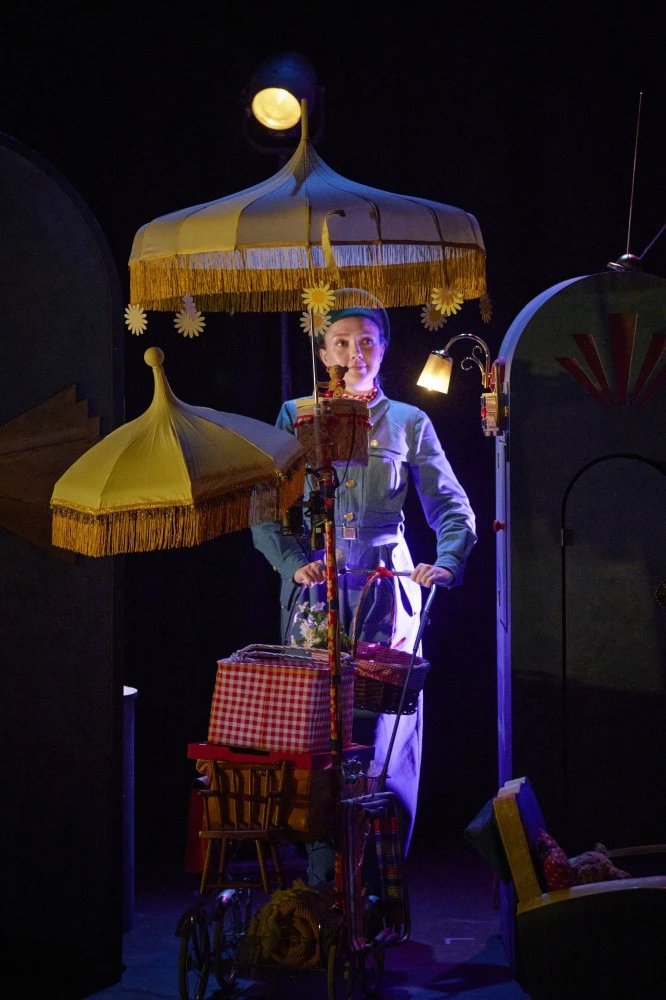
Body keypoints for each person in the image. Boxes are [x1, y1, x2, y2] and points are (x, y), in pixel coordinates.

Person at [251, 289, 477, 885]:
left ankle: (379, 877)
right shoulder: (297, 414)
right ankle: (323, 876)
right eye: (343, 342)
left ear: (383, 349)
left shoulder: (409, 422)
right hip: (317, 590)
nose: (356, 353)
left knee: (381, 730)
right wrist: (290, 560)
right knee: (316, 729)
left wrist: (445, 562)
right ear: (324, 350)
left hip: (385, 592)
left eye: (368, 341)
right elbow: (264, 503)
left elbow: (453, 509)